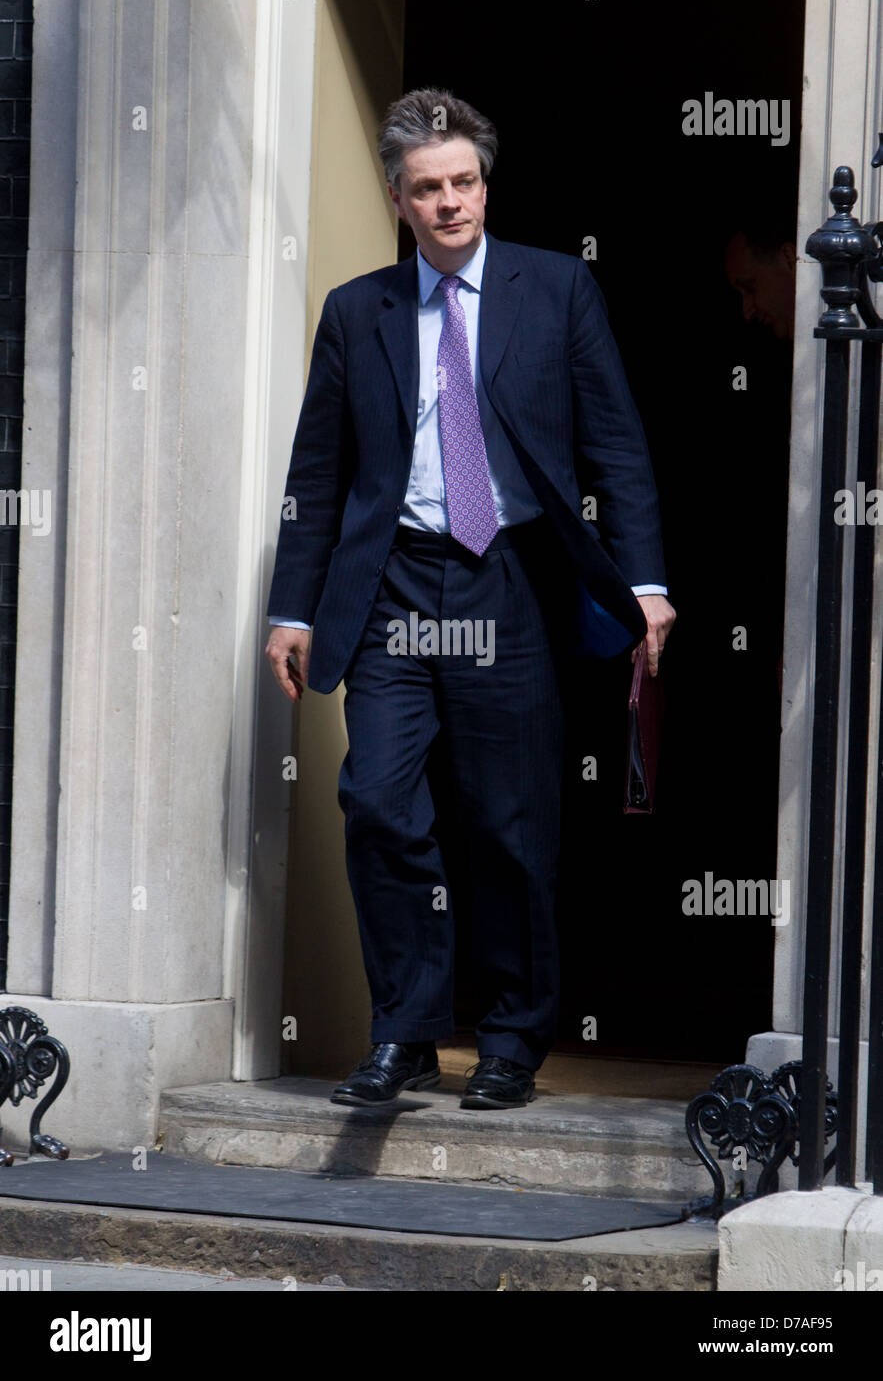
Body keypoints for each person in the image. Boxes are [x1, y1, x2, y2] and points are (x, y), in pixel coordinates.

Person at [264, 89, 675, 1110]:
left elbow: (616, 442)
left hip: (511, 582)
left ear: (483, 184)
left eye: (464, 182)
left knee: (508, 818)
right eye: (427, 189)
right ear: (398, 201)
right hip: (395, 582)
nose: (450, 203)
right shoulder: (358, 312)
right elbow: (317, 473)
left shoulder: (556, 289)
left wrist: (646, 580)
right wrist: (293, 607)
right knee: (377, 802)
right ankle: (404, 1029)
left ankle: (509, 1038)